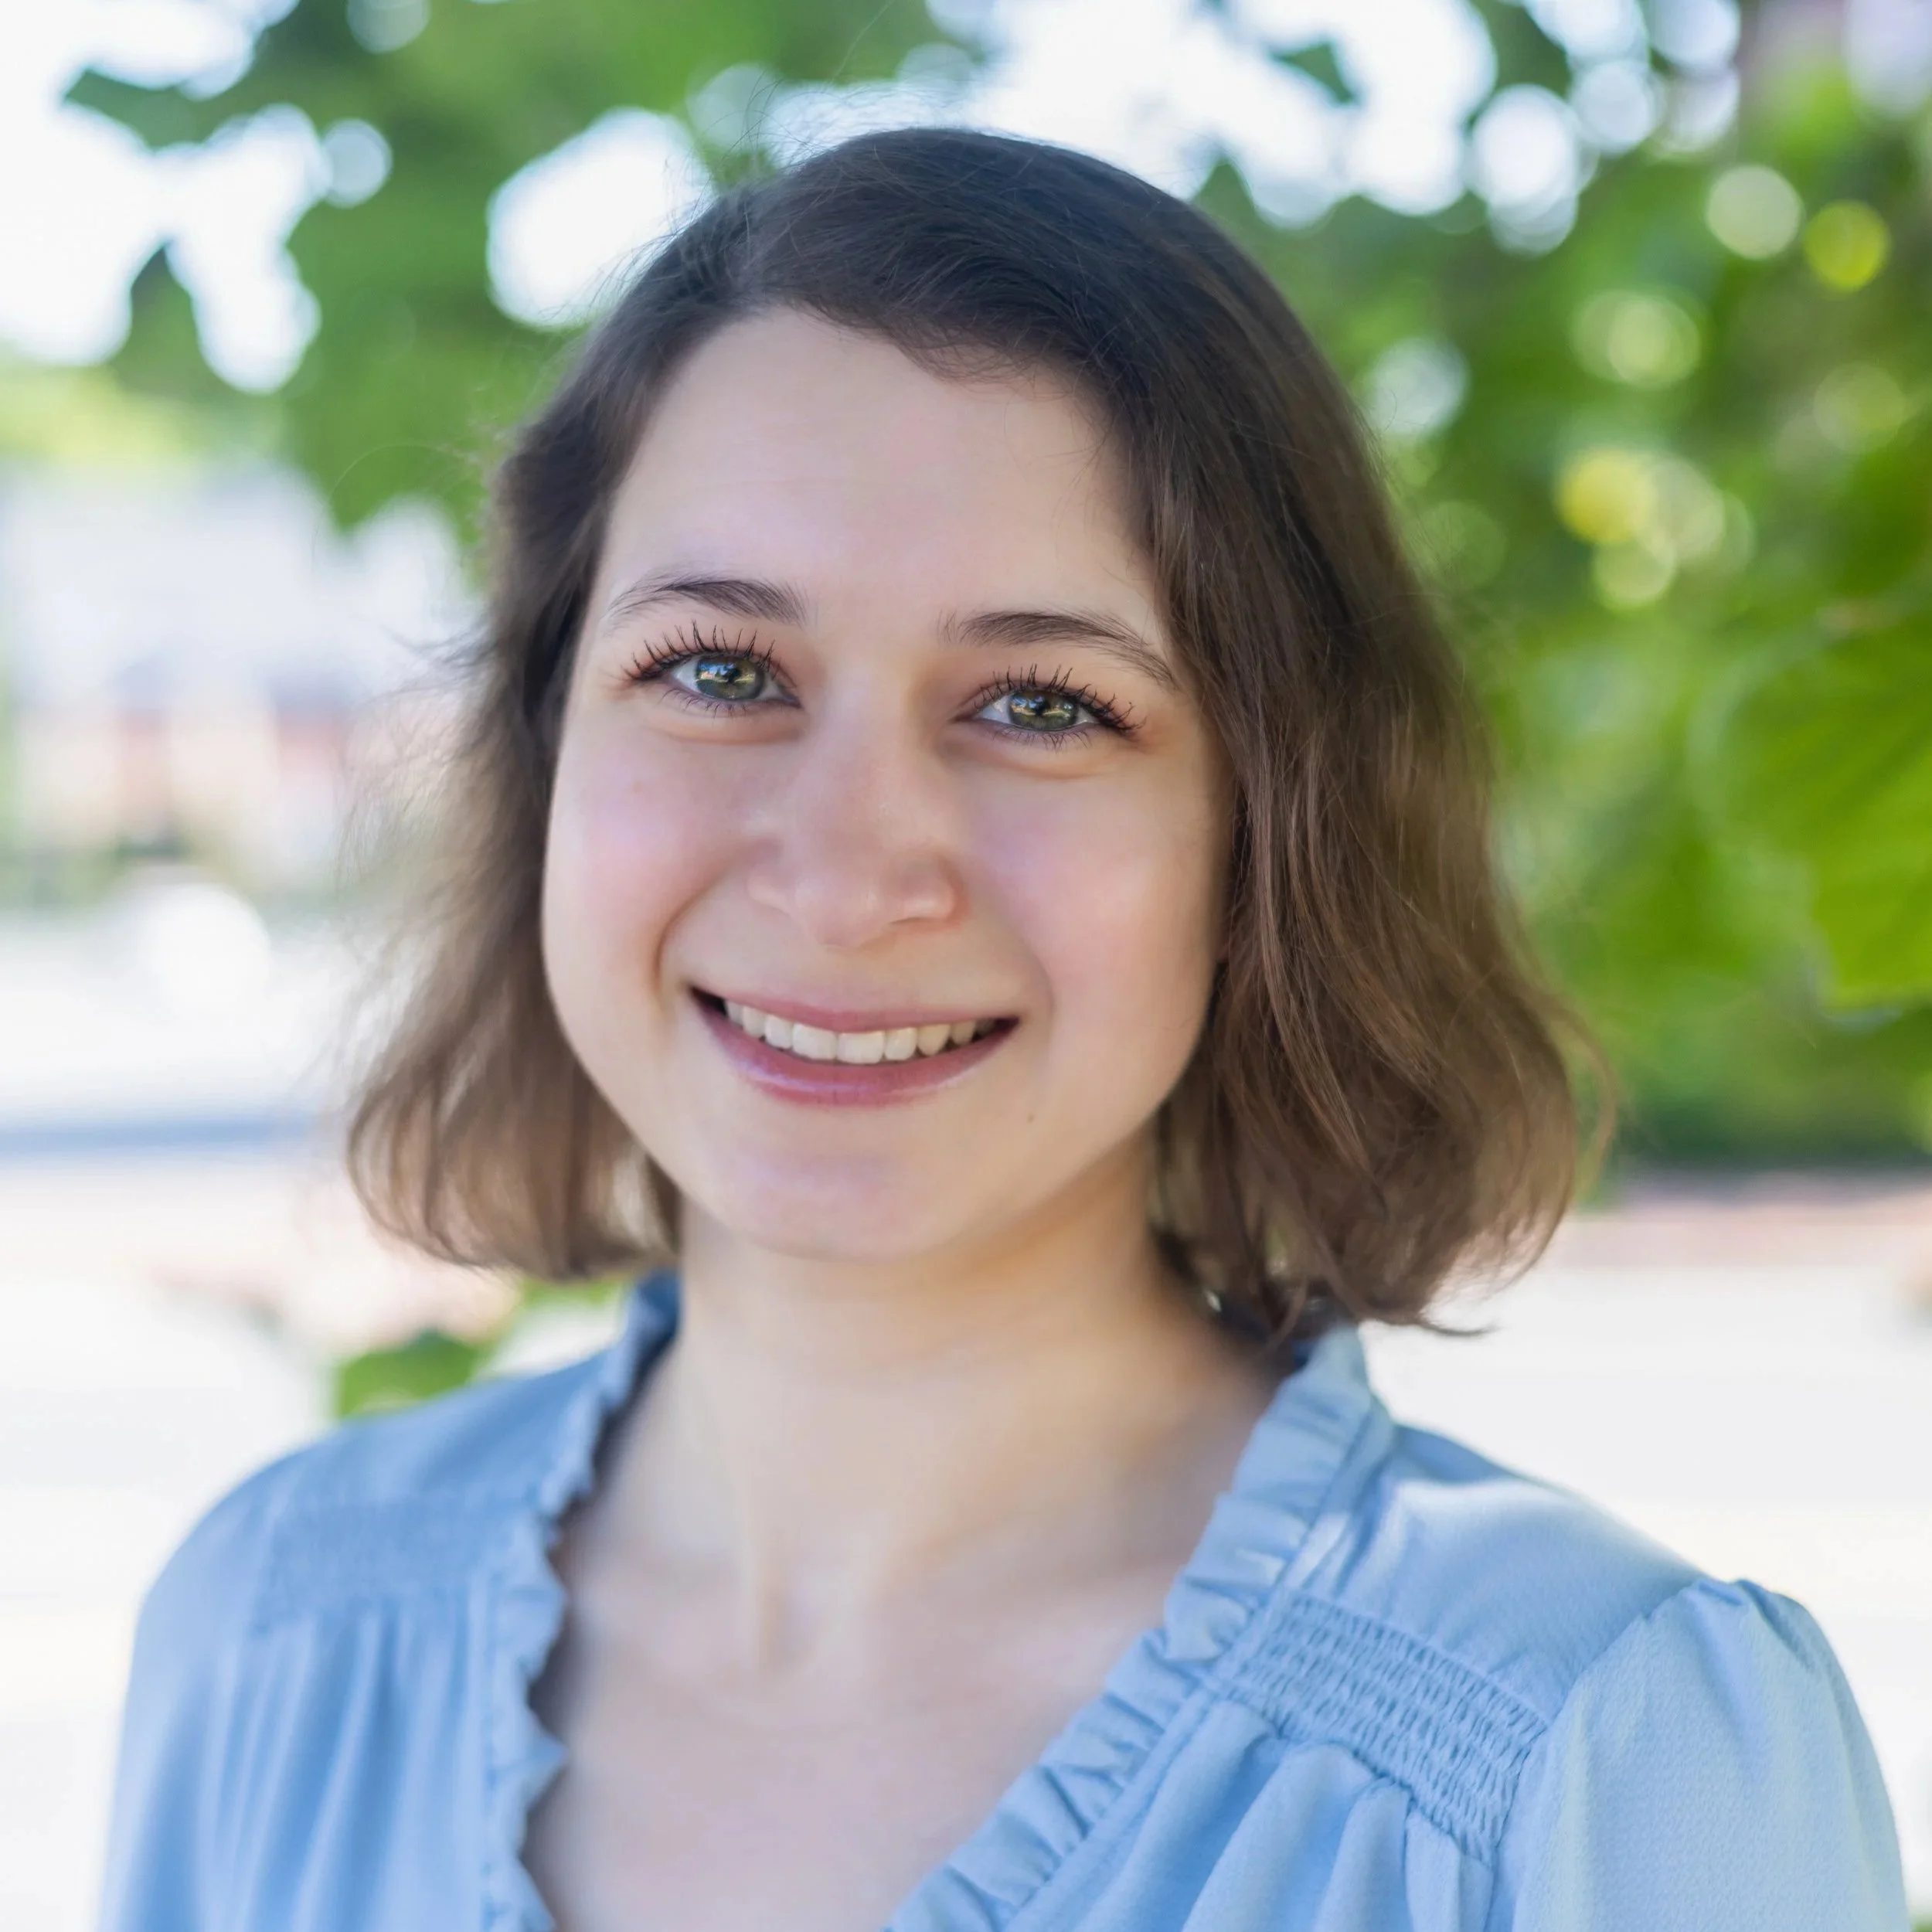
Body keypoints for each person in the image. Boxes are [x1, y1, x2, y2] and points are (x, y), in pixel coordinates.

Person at [98, 128, 1906, 1932]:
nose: (843, 873)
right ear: (548, 742)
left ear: (1267, 833)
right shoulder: (270, 1629)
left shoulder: (1601, 1744)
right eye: (720, 671)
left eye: (1042, 701)